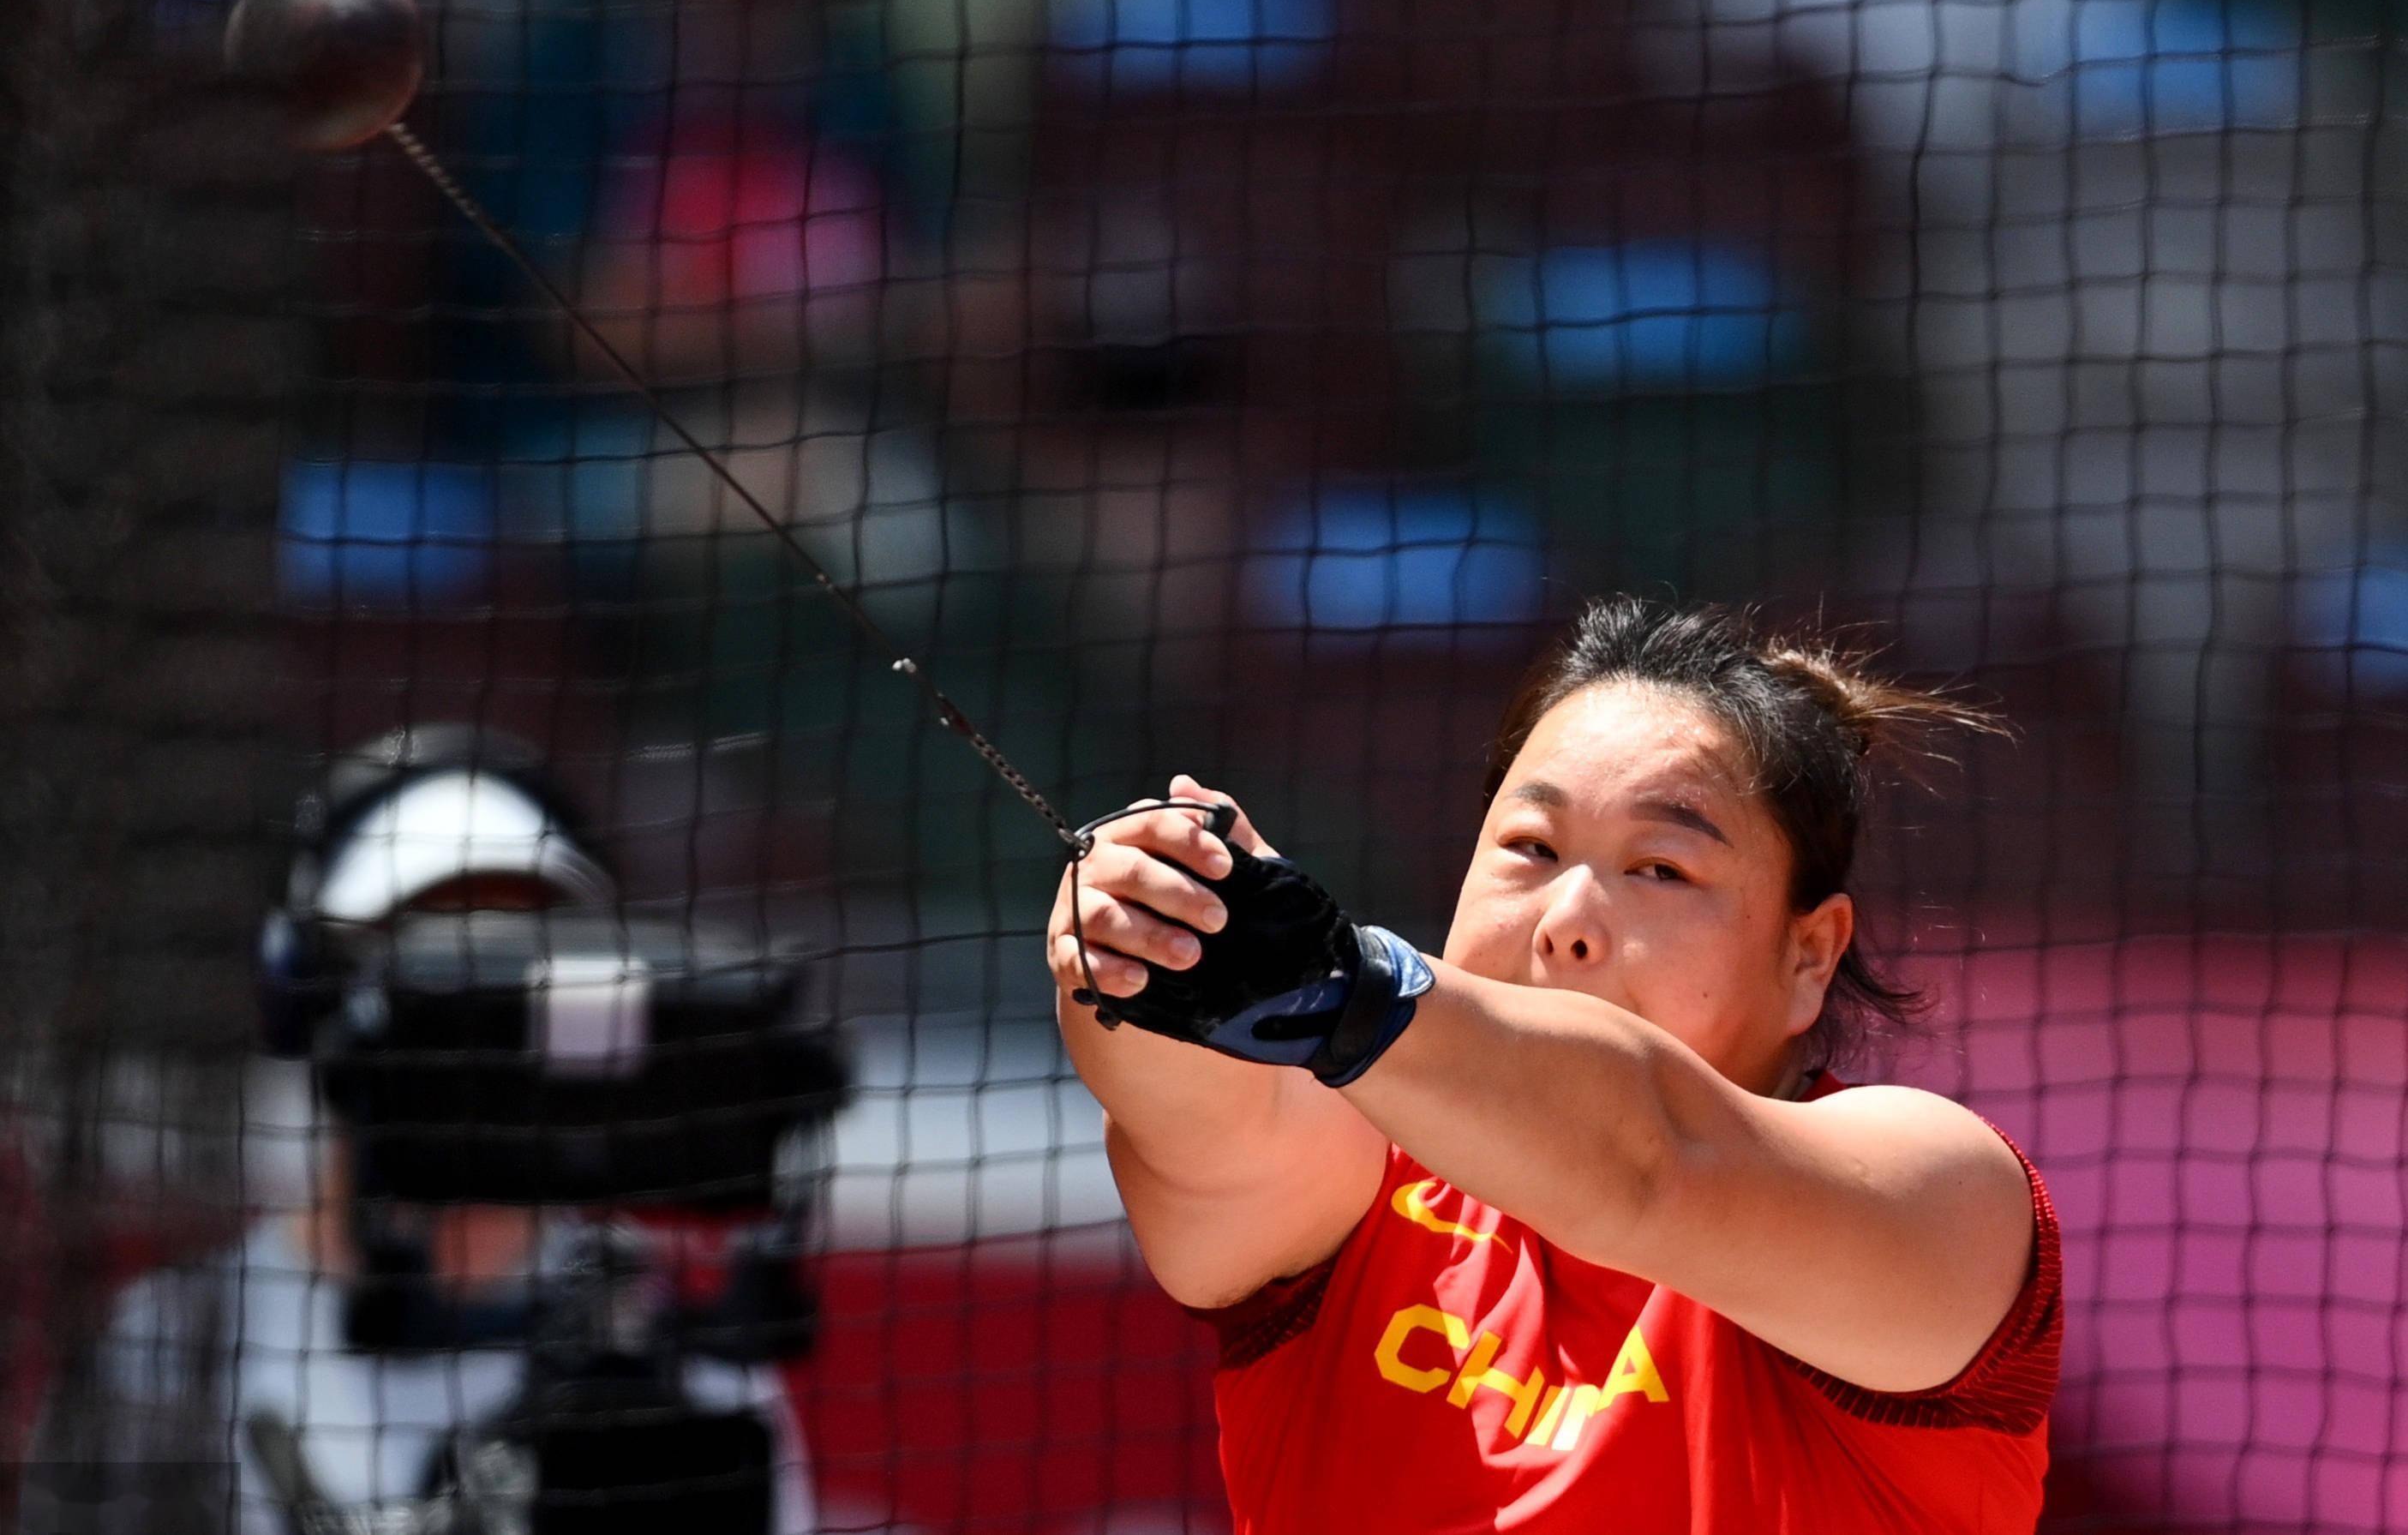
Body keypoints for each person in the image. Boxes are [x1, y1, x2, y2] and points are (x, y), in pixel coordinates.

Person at [1045, 595, 2059, 1532]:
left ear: (1809, 954)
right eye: (1529, 848)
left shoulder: (1942, 1189)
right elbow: (1190, 1117)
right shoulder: (1356, 1186)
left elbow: (1652, 1160)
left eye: (1658, 869)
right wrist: (1146, 937)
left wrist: (1342, 993)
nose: (1567, 919)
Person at [29, 729, 826, 1535]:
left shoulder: (678, 1364)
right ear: (311, 1000)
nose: (476, 1031)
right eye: (434, 970)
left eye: (517, 963)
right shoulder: (169, 1350)